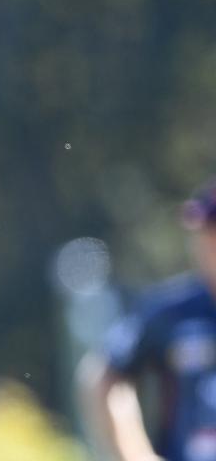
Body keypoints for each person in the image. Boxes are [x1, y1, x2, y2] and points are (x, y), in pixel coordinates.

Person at [79, 180, 216, 461]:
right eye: (201, 234)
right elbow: (104, 376)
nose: (203, 245)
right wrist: (135, 454)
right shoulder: (172, 311)